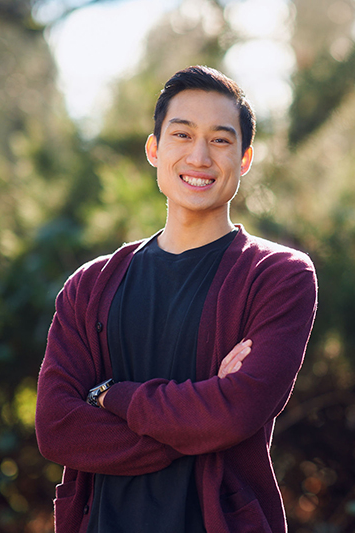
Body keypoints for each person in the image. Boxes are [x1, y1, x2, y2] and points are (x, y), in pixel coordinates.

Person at [35, 65, 318, 533]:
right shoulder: (90, 285)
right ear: (155, 149)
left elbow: (238, 412)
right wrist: (204, 418)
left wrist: (108, 395)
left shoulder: (277, 276)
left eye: (221, 140)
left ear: (245, 158)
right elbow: (57, 428)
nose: (200, 156)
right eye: (182, 135)